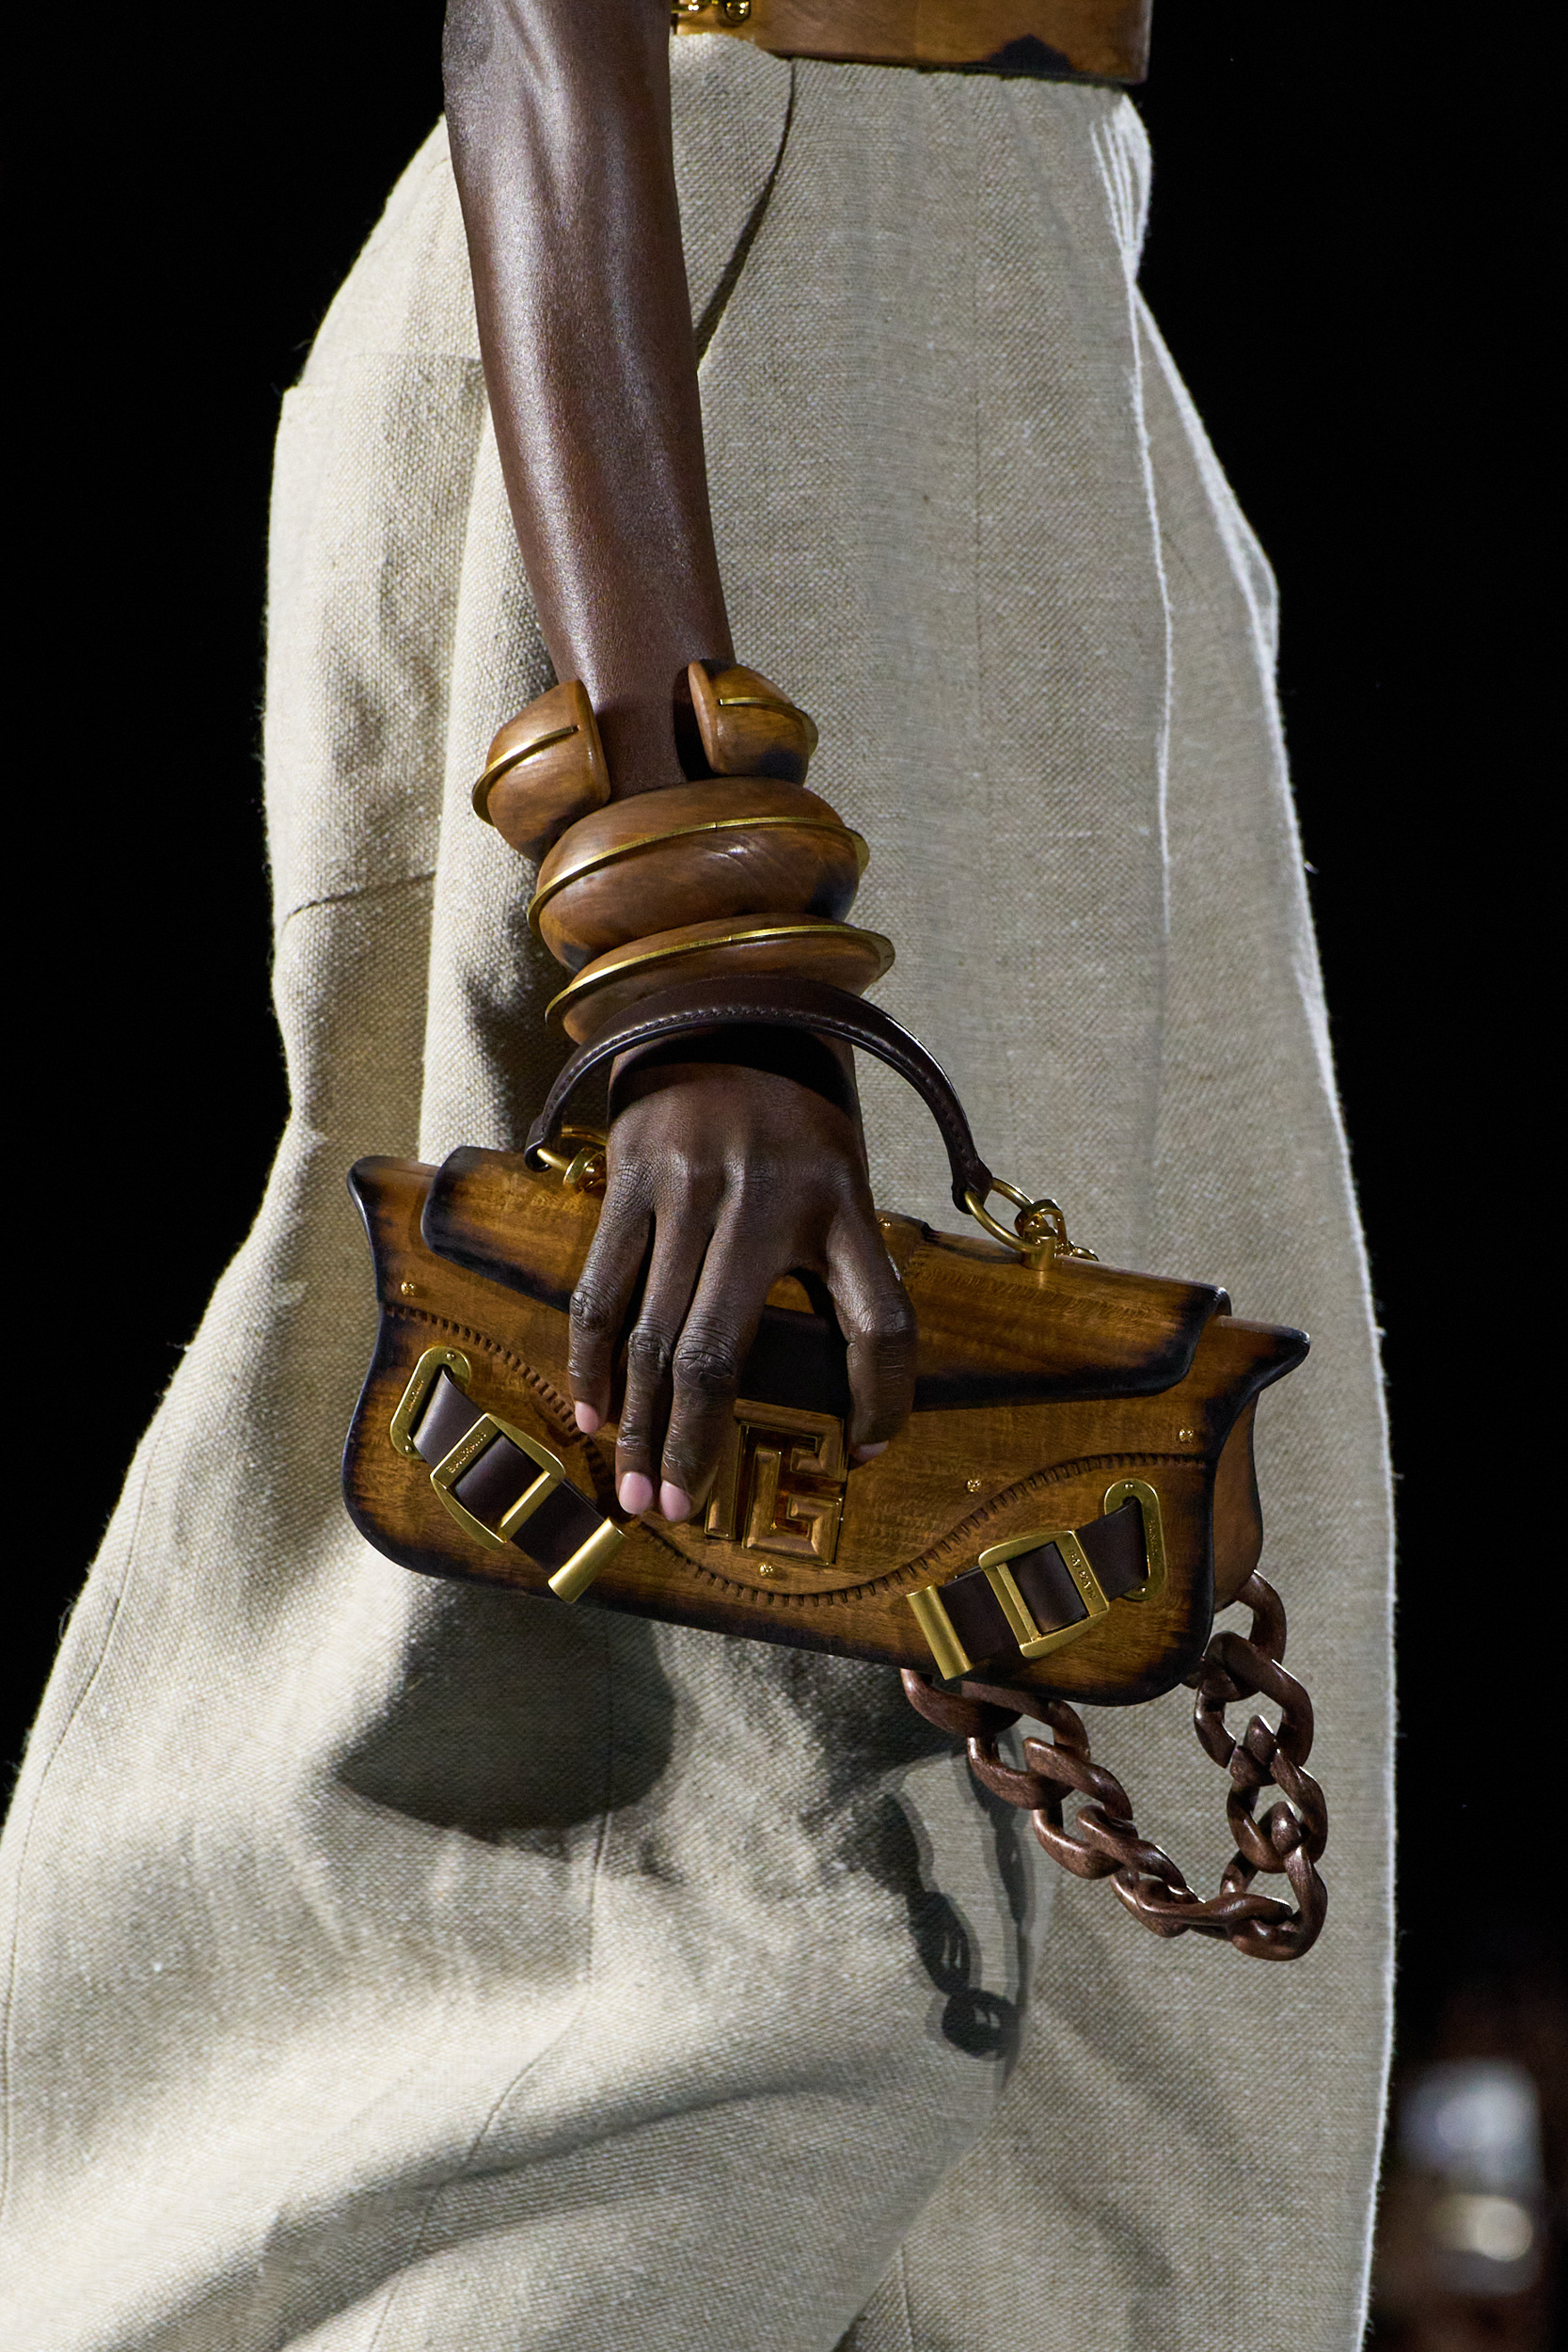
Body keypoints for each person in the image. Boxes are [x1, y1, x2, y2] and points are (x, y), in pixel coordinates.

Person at [0, 5, 1393, 2345]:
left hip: (1008, 316)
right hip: (725, 362)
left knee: (1123, 1693)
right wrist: (693, 924)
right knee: (701, 1830)